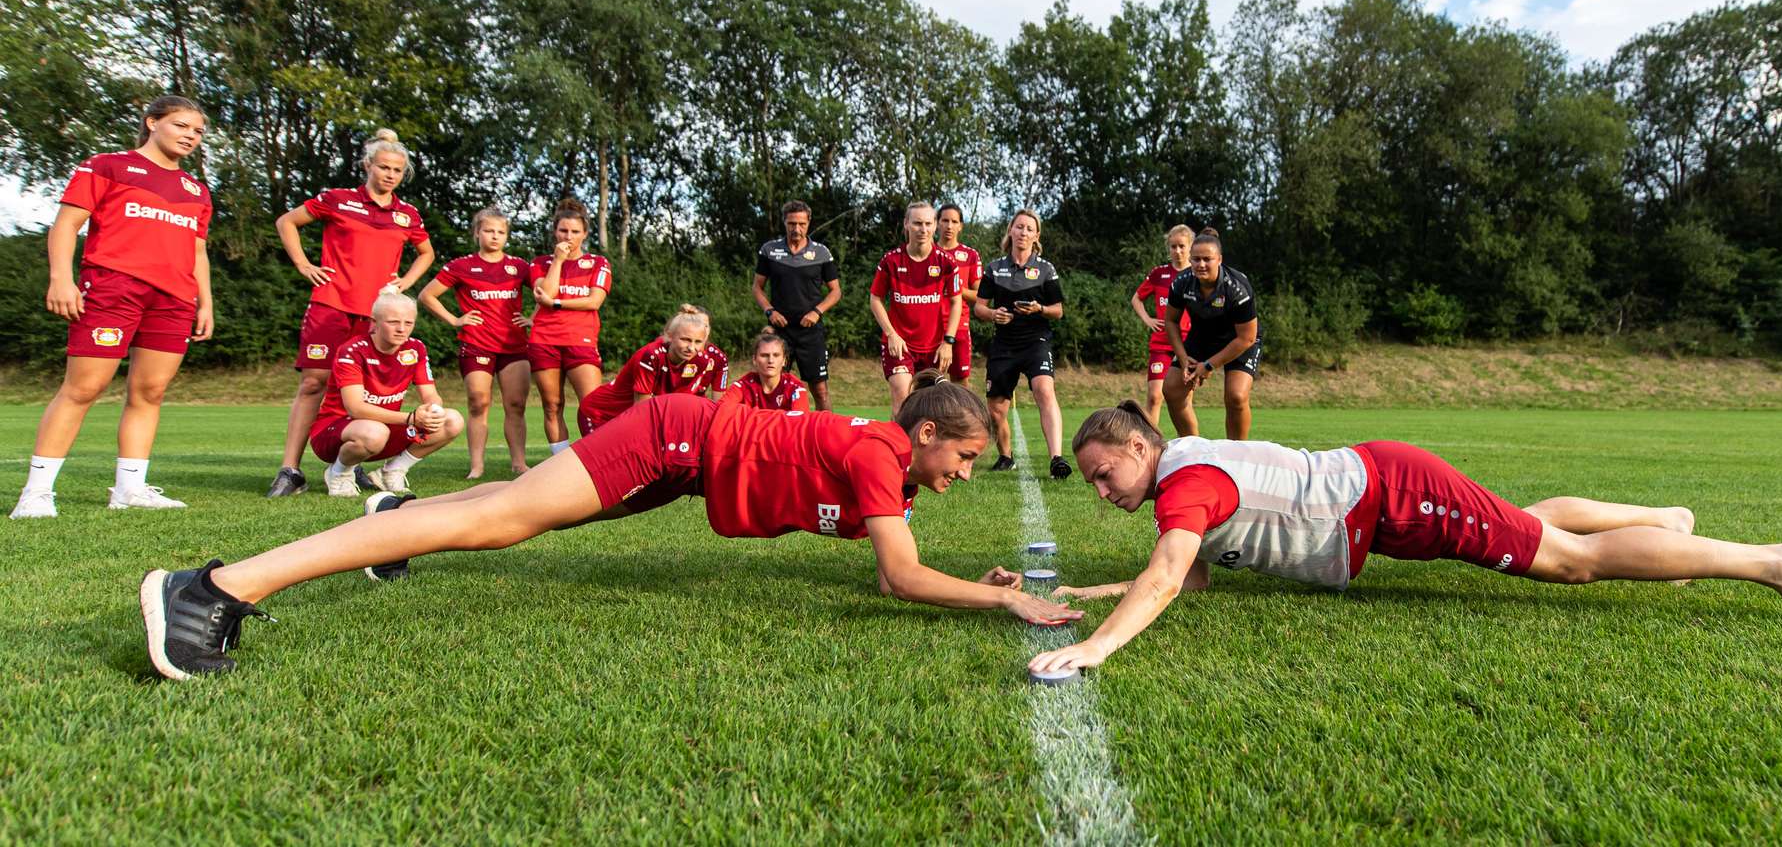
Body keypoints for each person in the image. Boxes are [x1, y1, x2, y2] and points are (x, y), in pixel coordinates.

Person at [138, 372, 1082, 679]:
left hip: (683, 459)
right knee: (503, 520)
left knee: (503, 519)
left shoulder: (891, 471)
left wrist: (978, 581)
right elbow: (905, 580)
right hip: (672, 440)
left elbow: (898, 561)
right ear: (925, 435)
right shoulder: (883, 457)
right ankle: (213, 588)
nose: (965, 475)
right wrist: (1004, 607)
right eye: (961, 458)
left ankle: (396, 515)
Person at [1025, 403, 1782, 676]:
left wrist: (1097, 647)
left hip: (1398, 498)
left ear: (1139, 447)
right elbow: (1193, 576)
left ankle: (1773, 562)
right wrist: (1096, 593)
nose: (1101, 492)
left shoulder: (1187, 486)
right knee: (1525, 519)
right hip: (1384, 499)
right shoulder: (1186, 477)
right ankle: (1664, 524)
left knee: (1569, 562)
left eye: (1104, 475)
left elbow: (1169, 577)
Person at [9, 96, 214, 519]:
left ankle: (130, 489)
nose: (190, 135)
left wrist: (204, 301)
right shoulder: (106, 166)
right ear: (152, 122)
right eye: (181, 125)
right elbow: (66, 224)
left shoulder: (196, 190)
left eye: (197, 131)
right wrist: (61, 279)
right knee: (83, 388)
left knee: (150, 392)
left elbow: (197, 252)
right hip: (113, 288)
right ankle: (37, 493)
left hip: (174, 299)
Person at [269, 128, 433, 498]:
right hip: (332, 305)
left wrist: (404, 282)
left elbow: (427, 253)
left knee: (364, 392)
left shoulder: (407, 215)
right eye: (384, 167)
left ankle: (349, 466)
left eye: (397, 170)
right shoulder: (338, 200)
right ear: (367, 165)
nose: (390, 174)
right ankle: (291, 470)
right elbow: (287, 222)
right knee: (314, 382)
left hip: (376, 315)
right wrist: (303, 264)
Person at [307, 294, 465, 498]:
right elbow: (356, 408)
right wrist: (411, 418)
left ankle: (392, 471)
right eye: (393, 322)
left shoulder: (415, 348)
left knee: (451, 420)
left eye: (408, 323)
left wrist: (432, 410)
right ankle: (339, 473)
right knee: (374, 432)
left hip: (384, 429)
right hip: (336, 431)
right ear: (374, 323)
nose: (402, 329)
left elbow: (431, 394)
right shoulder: (352, 351)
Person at [419, 208, 533, 478]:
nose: (495, 236)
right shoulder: (462, 266)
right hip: (477, 345)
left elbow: (546, 291)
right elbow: (426, 295)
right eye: (489, 230)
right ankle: (477, 466)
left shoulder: (518, 266)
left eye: (500, 232)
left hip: (514, 347)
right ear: (477, 233)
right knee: (478, 403)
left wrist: (533, 318)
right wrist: (455, 320)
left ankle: (519, 463)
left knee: (516, 404)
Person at [974, 209, 1069, 479]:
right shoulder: (994, 268)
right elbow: (980, 308)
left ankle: (1057, 460)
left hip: (1036, 341)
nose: (1024, 232)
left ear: (1036, 235)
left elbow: (1058, 310)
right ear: (1011, 231)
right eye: (1019, 227)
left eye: (1029, 229)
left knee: (1043, 389)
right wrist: (994, 314)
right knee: (995, 409)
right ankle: (1006, 457)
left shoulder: (1045, 269)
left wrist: (1039, 308)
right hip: (1004, 344)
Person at [1161, 229, 1260, 441]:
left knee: (1236, 396)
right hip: (1203, 335)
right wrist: (1183, 356)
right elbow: (1170, 321)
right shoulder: (1182, 283)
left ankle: (1236, 454)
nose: (1201, 264)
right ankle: (1192, 448)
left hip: (1240, 339)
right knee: (1171, 388)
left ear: (1220, 260)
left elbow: (1246, 338)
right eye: (1196, 259)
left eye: (1207, 259)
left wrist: (1208, 366)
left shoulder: (1237, 288)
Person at [528, 200, 610, 454]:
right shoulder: (540, 263)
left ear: (585, 234)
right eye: (563, 231)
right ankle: (559, 461)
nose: (569, 236)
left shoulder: (598, 263)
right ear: (555, 232)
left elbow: (594, 301)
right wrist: (558, 261)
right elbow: (545, 294)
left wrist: (557, 303)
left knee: (592, 405)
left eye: (575, 232)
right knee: (552, 405)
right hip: (544, 340)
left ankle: (596, 457)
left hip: (580, 340)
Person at [868, 201, 965, 415]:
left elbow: (956, 301)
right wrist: (891, 334)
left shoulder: (946, 262)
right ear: (906, 224)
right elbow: (875, 299)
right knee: (902, 397)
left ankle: (924, 449)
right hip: (899, 345)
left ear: (935, 225)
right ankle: (900, 449)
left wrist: (948, 341)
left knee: (931, 406)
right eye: (917, 223)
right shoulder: (891, 261)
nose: (923, 229)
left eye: (928, 223)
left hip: (933, 347)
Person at [576, 305, 729, 436]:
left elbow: (679, 405)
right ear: (669, 335)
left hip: (627, 420)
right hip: (600, 415)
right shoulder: (651, 356)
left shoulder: (701, 360)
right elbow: (642, 412)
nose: (691, 347)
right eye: (685, 339)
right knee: (604, 466)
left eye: (698, 342)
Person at [752, 201, 842, 411]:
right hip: (779, 331)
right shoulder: (769, 250)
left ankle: (825, 436)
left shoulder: (821, 253)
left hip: (810, 331)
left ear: (808, 223)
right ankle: (774, 436)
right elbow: (757, 288)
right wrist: (770, 311)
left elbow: (836, 291)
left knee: (820, 390)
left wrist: (817, 312)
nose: (796, 229)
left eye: (801, 224)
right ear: (784, 222)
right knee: (774, 388)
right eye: (792, 223)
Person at [1130, 224, 1194, 430]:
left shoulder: (1197, 275)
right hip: (1161, 344)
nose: (1178, 251)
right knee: (1155, 395)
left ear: (1190, 247)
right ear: (1168, 248)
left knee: (1183, 400)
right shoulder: (1160, 274)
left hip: (1188, 345)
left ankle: (1188, 444)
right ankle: (1150, 444)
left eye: (1182, 246)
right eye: (1173, 246)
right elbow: (1136, 299)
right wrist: (1148, 320)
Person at [935, 203, 984, 386]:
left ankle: (963, 416)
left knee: (960, 383)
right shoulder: (927, 252)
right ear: (937, 223)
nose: (949, 226)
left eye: (954, 221)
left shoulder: (970, 255)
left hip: (959, 326)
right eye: (945, 220)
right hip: (930, 326)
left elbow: (981, 296)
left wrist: (956, 289)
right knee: (930, 381)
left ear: (960, 226)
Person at [719, 330, 811, 411]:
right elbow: (722, 408)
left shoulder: (795, 388)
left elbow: (800, 422)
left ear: (784, 361)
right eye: (764, 355)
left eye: (776, 355)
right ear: (754, 360)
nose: (770, 360)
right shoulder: (744, 384)